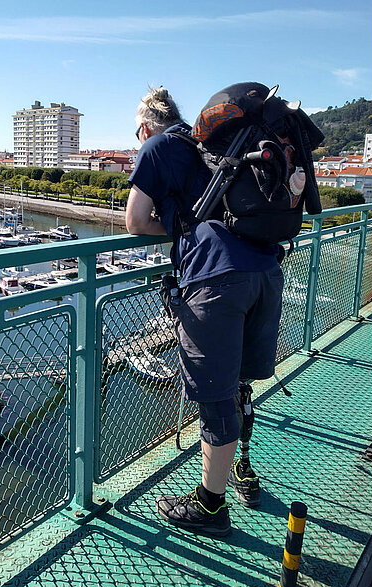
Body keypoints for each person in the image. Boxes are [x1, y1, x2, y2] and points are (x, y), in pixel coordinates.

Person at [126, 87, 284, 536]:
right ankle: (240, 471)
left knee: (215, 402)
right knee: (237, 382)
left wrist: (177, 232)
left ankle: (210, 508)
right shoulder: (211, 146)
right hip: (266, 269)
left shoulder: (157, 147)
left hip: (216, 279)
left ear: (144, 128)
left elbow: (135, 222)